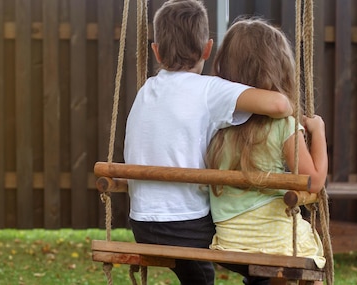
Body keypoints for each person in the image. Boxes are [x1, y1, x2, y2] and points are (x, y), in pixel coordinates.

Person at [123, 1, 294, 284]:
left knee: (199, 274)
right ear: (207, 48)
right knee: (258, 259)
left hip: (142, 223)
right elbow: (279, 105)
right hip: (186, 225)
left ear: (156, 50)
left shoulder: (146, 89)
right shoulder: (208, 90)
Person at [206, 18, 328, 285]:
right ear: (280, 68)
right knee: (307, 259)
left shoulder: (217, 123)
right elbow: (314, 181)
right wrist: (317, 131)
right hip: (272, 238)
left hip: (229, 238)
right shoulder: (283, 125)